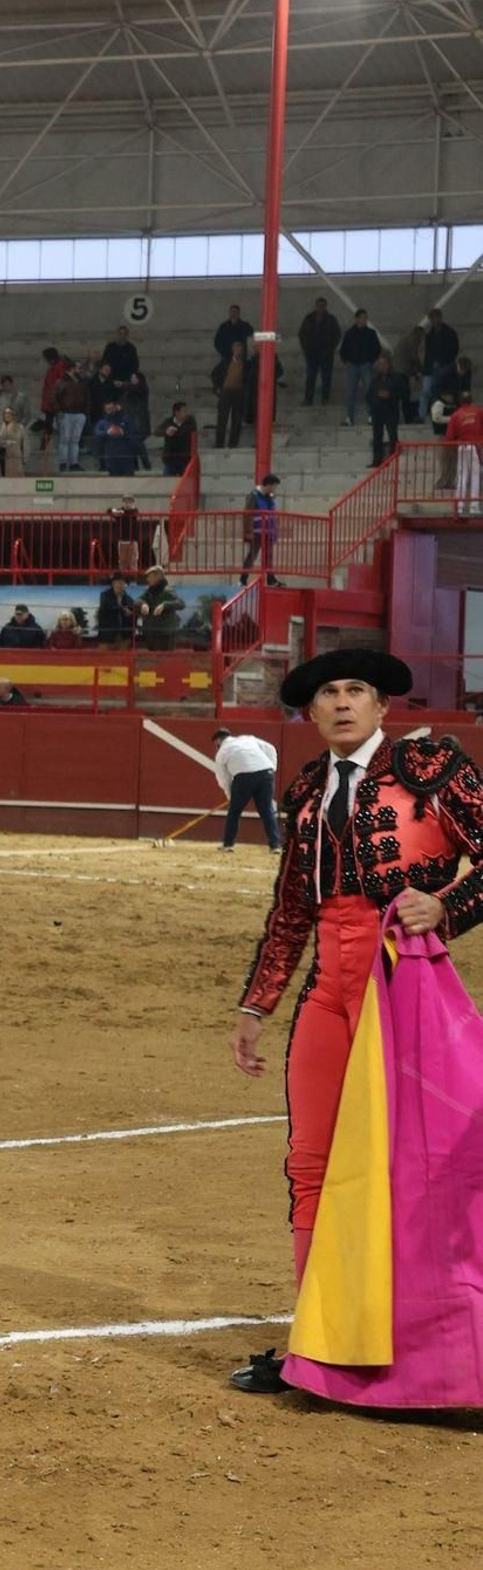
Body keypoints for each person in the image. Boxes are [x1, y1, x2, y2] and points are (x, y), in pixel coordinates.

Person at [229, 650, 483, 1400]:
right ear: (311, 715)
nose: (342, 704)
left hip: (403, 983)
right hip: (328, 993)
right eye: (329, 695)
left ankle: (446, 1351)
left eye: (357, 692)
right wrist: (256, 1005)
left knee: (426, 1167)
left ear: (380, 707)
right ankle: (317, 1344)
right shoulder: (306, 791)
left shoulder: (431, 769)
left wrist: (448, 905)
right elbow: (292, 912)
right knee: (309, 1164)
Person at [213, 726, 280, 852]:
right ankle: (275, 845)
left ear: (218, 741)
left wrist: (230, 796)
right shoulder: (248, 739)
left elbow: (223, 778)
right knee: (267, 811)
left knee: (234, 811)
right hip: (266, 773)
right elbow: (271, 748)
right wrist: (272, 768)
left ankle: (228, 844)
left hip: (244, 777)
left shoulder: (222, 752)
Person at [297, 298, 342, 407]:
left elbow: (337, 334)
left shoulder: (331, 319)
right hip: (311, 353)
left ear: (326, 306)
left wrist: (331, 348)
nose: (320, 308)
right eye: (318, 305)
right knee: (310, 377)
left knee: (326, 377)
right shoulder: (309, 319)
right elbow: (301, 334)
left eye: (322, 305)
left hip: (326, 354)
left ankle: (325, 399)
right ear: (315, 306)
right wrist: (306, 348)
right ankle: (308, 399)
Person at [445, 390, 483, 517]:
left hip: (462, 446)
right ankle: (474, 507)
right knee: (475, 476)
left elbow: (449, 436)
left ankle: (460, 507)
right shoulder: (478, 412)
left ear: (460, 401)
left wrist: (454, 445)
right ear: (471, 400)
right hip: (475, 447)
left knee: (462, 477)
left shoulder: (456, 415)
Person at [339, 309, 380, 426]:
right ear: (356, 319)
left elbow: (377, 349)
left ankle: (371, 416)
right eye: (362, 317)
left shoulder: (371, 333)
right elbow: (343, 349)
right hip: (352, 365)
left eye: (366, 318)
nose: (364, 320)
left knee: (369, 391)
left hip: (366, 365)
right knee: (351, 393)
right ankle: (349, 418)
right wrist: (346, 361)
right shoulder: (349, 333)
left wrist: (371, 361)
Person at [240, 473, 282, 585]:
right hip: (256, 533)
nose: (275, 489)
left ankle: (271, 579)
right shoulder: (253, 496)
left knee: (269, 557)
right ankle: (243, 579)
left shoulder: (270, 498)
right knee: (252, 555)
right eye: (274, 486)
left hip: (269, 532)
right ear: (268, 485)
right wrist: (248, 531)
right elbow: (247, 514)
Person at [96, 573, 137, 646]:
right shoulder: (105, 595)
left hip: (124, 636)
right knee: (105, 656)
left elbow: (133, 616)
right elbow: (107, 606)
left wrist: (132, 614)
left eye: (122, 582)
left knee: (123, 656)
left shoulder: (129, 599)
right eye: (117, 582)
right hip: (107, 636)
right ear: (113, 584)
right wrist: (123, 609)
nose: (120, 585)